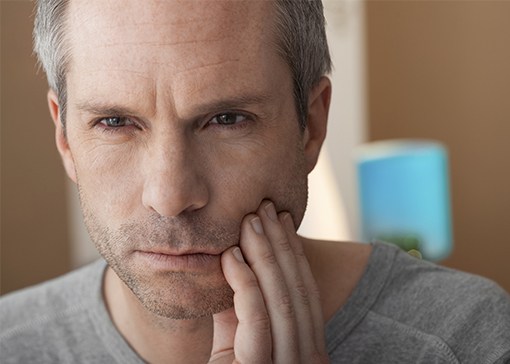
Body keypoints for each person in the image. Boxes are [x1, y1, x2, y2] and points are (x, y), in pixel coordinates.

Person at [1, 0, 509, 363]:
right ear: (64, 137)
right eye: (114, 123)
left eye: (226, 120)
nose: (171, 196)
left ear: (311, 125)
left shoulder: (469, 341)